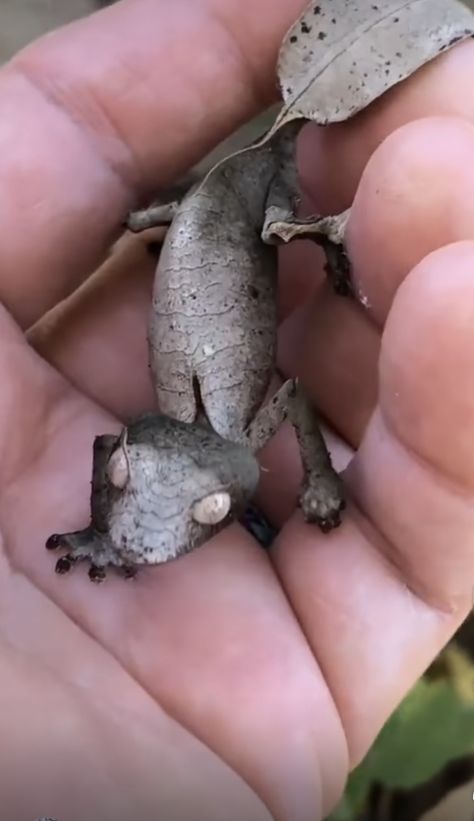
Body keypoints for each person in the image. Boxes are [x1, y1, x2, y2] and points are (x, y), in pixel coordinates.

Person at [1, 1, 473, 819]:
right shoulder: (178, 440)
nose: (152, 535)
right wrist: (99, 528)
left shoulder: (237, 433)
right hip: (198, 222)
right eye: (124, 476)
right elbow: (126, 442)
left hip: (243, 210)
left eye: (206, 510)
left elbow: (287, 394)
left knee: (324, 183)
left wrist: (323, 240)